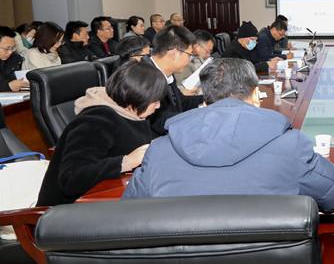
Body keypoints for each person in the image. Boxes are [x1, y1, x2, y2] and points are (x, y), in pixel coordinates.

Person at [122, 58, 334, 211]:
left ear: (205, 99)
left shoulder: (160, 150)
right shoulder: (290, 145)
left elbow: (130, 208)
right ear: (255, 94)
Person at [36, 61, 166, 206]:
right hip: (69, 209)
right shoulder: (95, 121)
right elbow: (71, 178)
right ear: (138, 96)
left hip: (111, 197)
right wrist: (126, 162)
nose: (158, 106)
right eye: (155, 101)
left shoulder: (133, 113)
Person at [144, 26, 204, 137]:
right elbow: (158, 120)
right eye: (189, 55)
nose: (190, 60)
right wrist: (196, 120)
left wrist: (210, 99)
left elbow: (181, 102)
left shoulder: (167, 73)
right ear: (174, 54)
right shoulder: (145, 77)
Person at [0, 26, 26, 92]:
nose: (10, 52)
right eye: (7, 48)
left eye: (12, 48)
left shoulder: (14, 58)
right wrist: (7, 86)